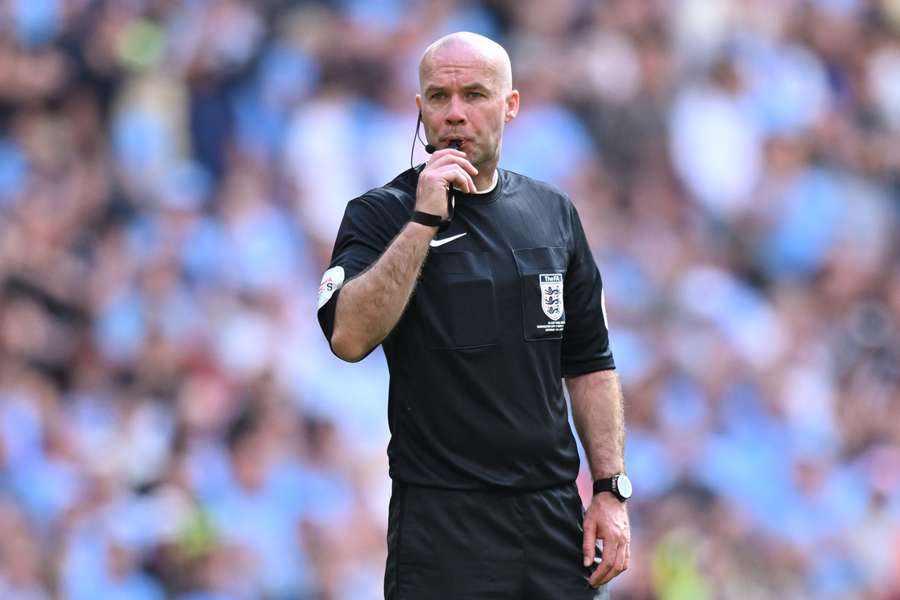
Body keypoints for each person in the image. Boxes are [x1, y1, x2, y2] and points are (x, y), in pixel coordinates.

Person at [316, 31, 630, 599]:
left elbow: (589, 362)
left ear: (511, 106)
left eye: (474, 95)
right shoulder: (380, 215)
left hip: (552, 520)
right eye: (439, 97)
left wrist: (609, 488)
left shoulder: (552, 213)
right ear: (420, 110)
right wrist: (423, 222)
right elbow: (348, 336)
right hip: (443, 526)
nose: (455, 113)